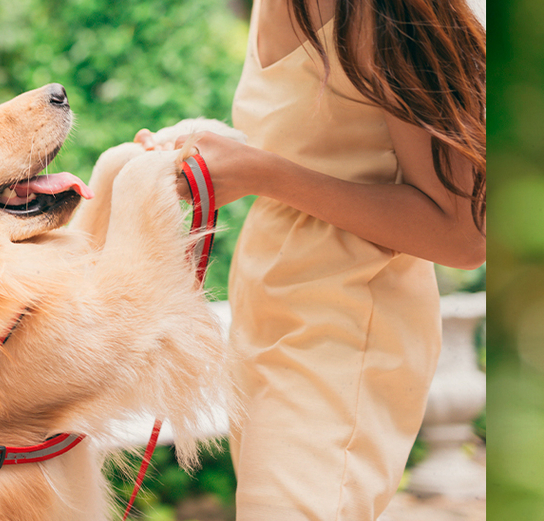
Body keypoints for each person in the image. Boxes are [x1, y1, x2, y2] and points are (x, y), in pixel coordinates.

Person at [135, 0, 485, 519]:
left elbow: (465, 235)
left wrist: (261, 174)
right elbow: (324, 148)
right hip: (269, 326)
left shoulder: (377, 11)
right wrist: (213, 155)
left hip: (341, 336)